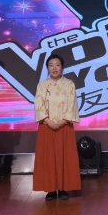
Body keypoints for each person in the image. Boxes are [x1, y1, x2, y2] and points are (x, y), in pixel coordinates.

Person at [33, 53, 82, 200]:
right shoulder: (42, 85)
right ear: (47, 68)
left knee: (64, 157)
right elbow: (38, 104)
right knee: (48, 158)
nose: (54, 68)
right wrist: (48, 121)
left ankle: (63, 188)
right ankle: (51, 189)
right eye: (51, 65)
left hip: (64, 126)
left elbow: (72, 104)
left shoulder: (69, 84)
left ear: (62, 67)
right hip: (46, 126)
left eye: (57, 65)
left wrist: (62, 122)